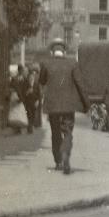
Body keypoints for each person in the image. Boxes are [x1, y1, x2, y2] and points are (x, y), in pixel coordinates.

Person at [39, 38, 89, 174]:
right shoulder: (73, 63)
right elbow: (80, 84)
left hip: (53, 106)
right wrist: (86, 105)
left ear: (52, 51)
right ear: (64, 51)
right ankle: (66, 154)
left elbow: (41, 81)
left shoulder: (46, 63)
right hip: (68, 106)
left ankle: (58, 161)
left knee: (55, 133)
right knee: (67, 132)